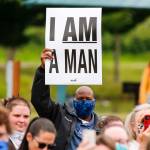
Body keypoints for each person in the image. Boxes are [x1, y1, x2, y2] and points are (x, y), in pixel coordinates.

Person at [31, 48, 100, 150]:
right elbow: (40, 101)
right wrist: (43, 70)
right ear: (74, 101)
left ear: (94, 102)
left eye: (88, 99)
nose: (84, 101)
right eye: (80, 98)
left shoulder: (101, 126)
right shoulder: (60, 115)